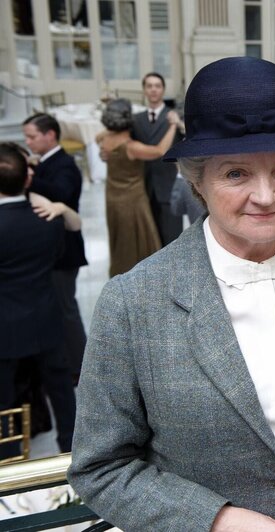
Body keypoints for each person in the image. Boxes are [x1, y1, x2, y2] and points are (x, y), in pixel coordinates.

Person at [68, 56, 275, 532]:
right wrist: (220, 522)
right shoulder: (132, 303)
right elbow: (101, 467)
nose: (266, 195)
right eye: (236, 174)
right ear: (197, 181)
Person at [0, 142, 76, 460]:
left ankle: (11, 457)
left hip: (4, 325)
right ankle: (72, 450)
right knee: (61, 391)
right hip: (46, 316)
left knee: (5, 399)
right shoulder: (49, 220)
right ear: (28, 180)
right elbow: (60, 253)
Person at [22, 112, 88, 380]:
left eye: (32, 136)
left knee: (66, 310)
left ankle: (82, 367)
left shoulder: (65, 164)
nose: (28, 142)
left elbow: (62, 194)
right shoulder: (45, 162)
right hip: (53, 249)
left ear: (50, 135)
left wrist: (26, 179)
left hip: (64, 249)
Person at [98, 98, 180, 276]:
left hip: (112, 196)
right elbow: (159, 151)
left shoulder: (104, 140)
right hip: (132, 199)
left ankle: (119, 270)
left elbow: (99, 137)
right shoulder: (131, 147)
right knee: (139, 237)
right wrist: (172, 126)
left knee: (121, 239)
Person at [132, 72, 184, 246]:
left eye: (157, 86)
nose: (153, 90)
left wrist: (178, 123)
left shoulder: (174, 116)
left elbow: (192, 137)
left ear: (163, 89)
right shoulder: (136, 119)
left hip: (168, 185)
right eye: (149, 86)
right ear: (144, 90)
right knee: (150, 241)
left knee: (172, 239)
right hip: (144, 187)